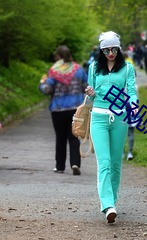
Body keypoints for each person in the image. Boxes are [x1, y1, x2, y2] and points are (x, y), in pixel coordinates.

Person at [85, 31, 138, 223]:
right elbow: (91, 97)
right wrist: (90, 92)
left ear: (119, 48)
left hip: (120, 118)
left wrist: (133, 105)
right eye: (106, 50)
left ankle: (112, 201)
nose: (110, 53)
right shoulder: (93, 68)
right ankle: (107, 205)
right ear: (101, 50)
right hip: (98, 118)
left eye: (114, 49)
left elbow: (131, 92)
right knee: (104, 162)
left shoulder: (127, 68)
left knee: (116, 163)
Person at [39, 45, 88, 175]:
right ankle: (75, 163)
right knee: (74, 137)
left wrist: (42, 83)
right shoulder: (79, 70)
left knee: (60, 138)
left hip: (58, 109)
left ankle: (60, 166)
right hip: (75, 109)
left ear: (58, 57)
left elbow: (47, 90)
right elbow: (86, 87)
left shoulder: (54, 71)